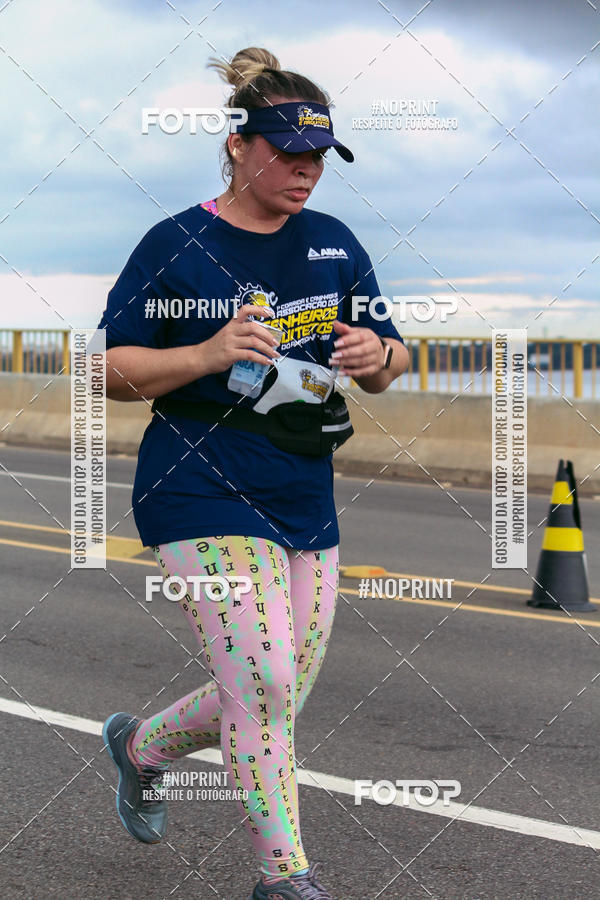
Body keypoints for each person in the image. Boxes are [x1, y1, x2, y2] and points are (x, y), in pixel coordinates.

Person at [99, 46, 408, 900]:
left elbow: (392, 360)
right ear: (237, 144)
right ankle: (285, 878)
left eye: (317, 159)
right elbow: (107, 371)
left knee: (273, 692)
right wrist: (205, 351)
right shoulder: (177, 244)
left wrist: (376, 352)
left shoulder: (335, 245)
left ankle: (139, 748)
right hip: (197, 486)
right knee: (265, 681)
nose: (305, 172)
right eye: (287, 153)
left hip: (305, 492)